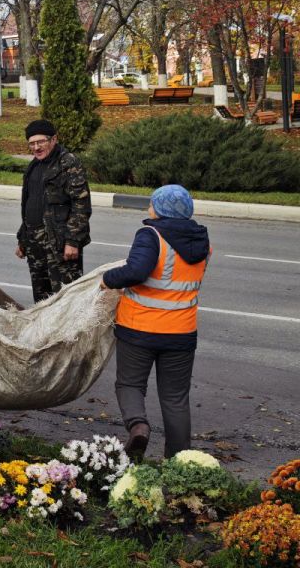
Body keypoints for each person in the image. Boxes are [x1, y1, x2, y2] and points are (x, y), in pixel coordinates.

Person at [101, 184, 211, 458]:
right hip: (182, 332)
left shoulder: (151, 235)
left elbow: (137, 271)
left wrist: (108, 279)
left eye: (152, 203)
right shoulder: (202, 241)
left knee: (130, 384)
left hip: (140, 328)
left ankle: (138, 427)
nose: (149, 207)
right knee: (175, 398)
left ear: (161, 209)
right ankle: (178, 462)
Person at [15, 119, 92, 302]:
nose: (36, 147)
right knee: (42, 299)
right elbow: (30, 204)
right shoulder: (34, 165)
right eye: (32, 144)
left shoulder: (68, 163)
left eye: (41, 142)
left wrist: (73, 240)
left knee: (65, 300)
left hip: (60, 244)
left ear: (54, 139)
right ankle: (44, 331)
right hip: (35, 244)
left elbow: (81, 205)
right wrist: (23, 239)